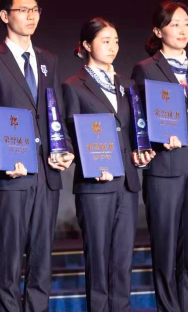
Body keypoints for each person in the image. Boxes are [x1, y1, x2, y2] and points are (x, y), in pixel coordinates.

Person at [0, 0, 74, 312]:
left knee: (42, 256)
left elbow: (55, 111)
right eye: (23, 10)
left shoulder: (48, 60)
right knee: (12, 255)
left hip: (47, 171)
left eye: (35, 10)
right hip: (13, 173)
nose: (31, 16)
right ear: (5, 15)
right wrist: (7, 158)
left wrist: (64, 147)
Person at [131, 1, 188, 312]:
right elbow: (139, 119)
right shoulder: (146, 68)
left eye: (186, 24)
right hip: (165, 169)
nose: (183, 30)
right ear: (158, 31)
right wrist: (157, 140)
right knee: (166, 248)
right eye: (174, 24)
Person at [62, 18, 155, 311]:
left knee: (122, 262)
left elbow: (133, 129)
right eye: (105, 41)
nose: (113, 47)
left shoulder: (127, 85)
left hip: (127, 183)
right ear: (87, 45)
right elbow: (71, 134)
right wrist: (90, 162)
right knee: (98, 260)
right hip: (95, 185)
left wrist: (141, 152)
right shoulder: (73, 86)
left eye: (115, 41)